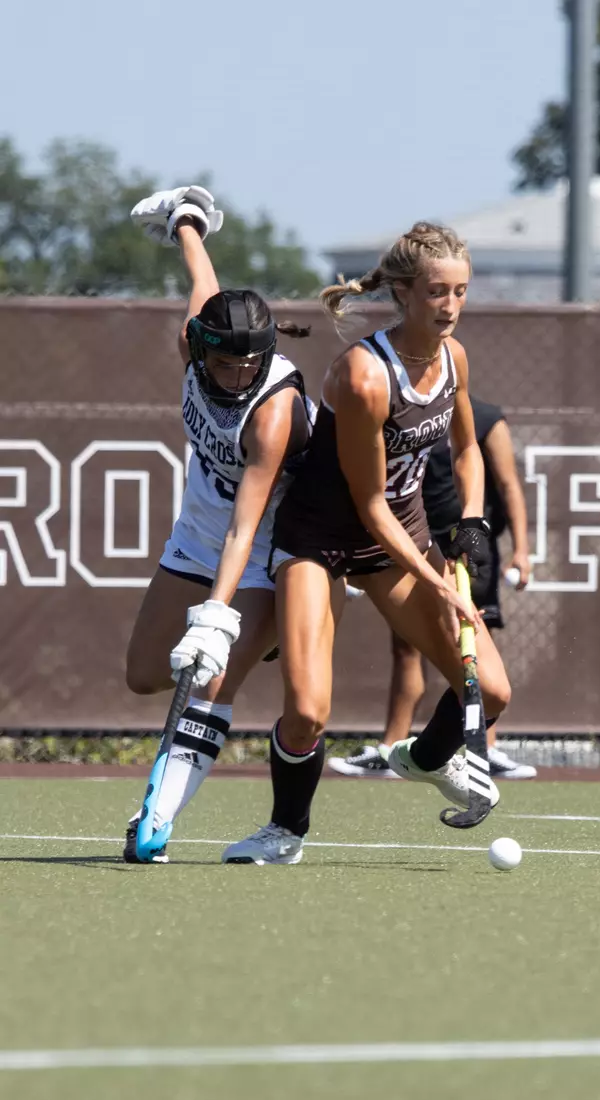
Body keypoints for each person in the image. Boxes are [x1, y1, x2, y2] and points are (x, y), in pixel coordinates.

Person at [197, 221, 512, 865]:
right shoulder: (363, 376)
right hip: (320, 539)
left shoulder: (454, 359)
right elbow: (370, 506)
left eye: (461, 292)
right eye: (436, 292)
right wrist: (436, 585)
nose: (451, 306)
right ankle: (285, 830)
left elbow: (466, 451)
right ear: (401, 293)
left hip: (400, 534)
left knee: (494, 690)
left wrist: (472, 523)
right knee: (310, 711)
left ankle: (422, 760)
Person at [121, 186, 311, 863]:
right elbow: (204, 286)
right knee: (143, 675)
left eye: (247, 362)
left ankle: (157, 817)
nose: (234, 374)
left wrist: (215, 615)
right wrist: (187, 222)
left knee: (209, 681)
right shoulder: (194, 346)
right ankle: (257, 638)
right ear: (200, 349)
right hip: (194, 537)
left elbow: (247, 521)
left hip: (260, 547)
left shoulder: (272, 410)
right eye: (222, 361)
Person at [330, 396, 537, 780]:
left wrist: (522, 550)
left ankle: (484, 749)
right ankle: (392, 749)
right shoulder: (402, 416)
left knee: (474, 641)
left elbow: (508, 484)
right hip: (415, 541)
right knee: (405, 646)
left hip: (467, 546)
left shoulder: (488, 417)